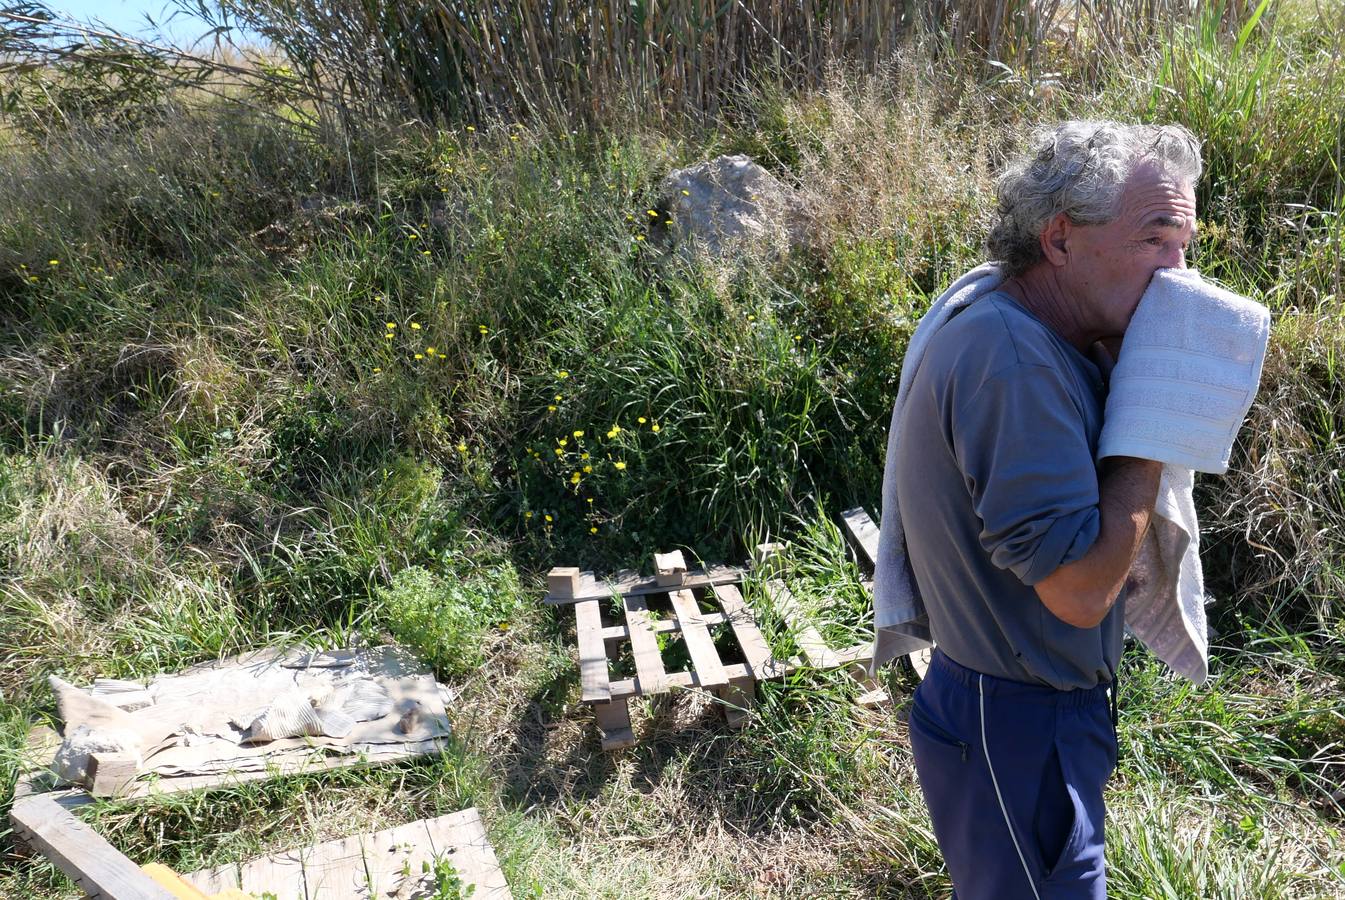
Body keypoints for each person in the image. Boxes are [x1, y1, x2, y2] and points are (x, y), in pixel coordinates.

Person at [895, 120, 1201, 899]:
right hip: (1014, 726)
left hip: (1020, 717)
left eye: (1186, 242)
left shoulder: (1037, 329)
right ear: (1060, 238)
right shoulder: (1013, 359)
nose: (1179, 270)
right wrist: (1150, 424)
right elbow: (1075, 593)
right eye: (1154, 238)